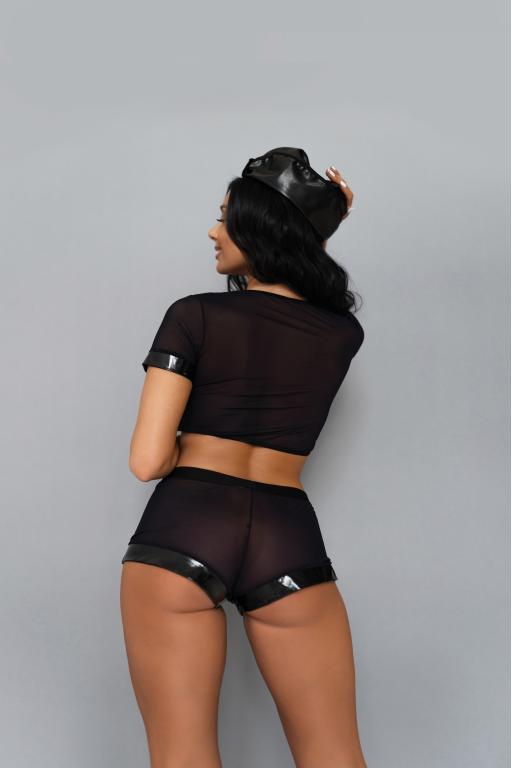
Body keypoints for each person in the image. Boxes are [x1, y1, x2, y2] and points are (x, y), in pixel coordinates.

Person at [119, 147, 368, 768]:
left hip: (187, 526)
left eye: (224, 217)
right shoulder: (342, 334)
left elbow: (148, 461)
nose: (213, 231)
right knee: (334, 753)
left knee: (182, 756)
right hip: (287, 533)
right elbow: (303, 283)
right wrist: (325, 220)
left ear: (259, 227)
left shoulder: (194, 315)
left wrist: (199, 445)